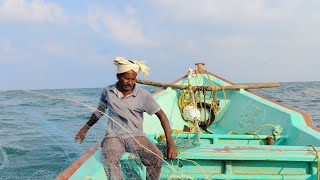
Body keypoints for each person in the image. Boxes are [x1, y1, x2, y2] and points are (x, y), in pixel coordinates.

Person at [75, 57, 178, 180]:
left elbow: (162, 115)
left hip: (137, 136)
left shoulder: (143, 95)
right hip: (114, 137)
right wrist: (85, 129)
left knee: (156, 158)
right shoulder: (107, 91)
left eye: (133, 79)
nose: (130, 82)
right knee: (109, 157)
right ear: (118, 76)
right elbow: (99, 112)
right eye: (126, 78)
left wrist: (170, 143)